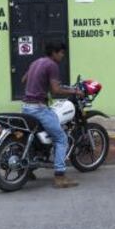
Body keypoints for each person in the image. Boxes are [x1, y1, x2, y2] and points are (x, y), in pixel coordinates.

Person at [22, 42, 83, 189]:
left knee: (36, 138)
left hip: (26, 107)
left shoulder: (36, 62)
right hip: (39, 108)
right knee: (61, 138)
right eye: (61, 53)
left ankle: (27, 171)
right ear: (54, 53)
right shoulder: (52, 65)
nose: (62, 56)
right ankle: (60, 177)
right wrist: (75, 91)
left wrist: (40, 86)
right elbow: (56, 89)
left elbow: (24, 80)